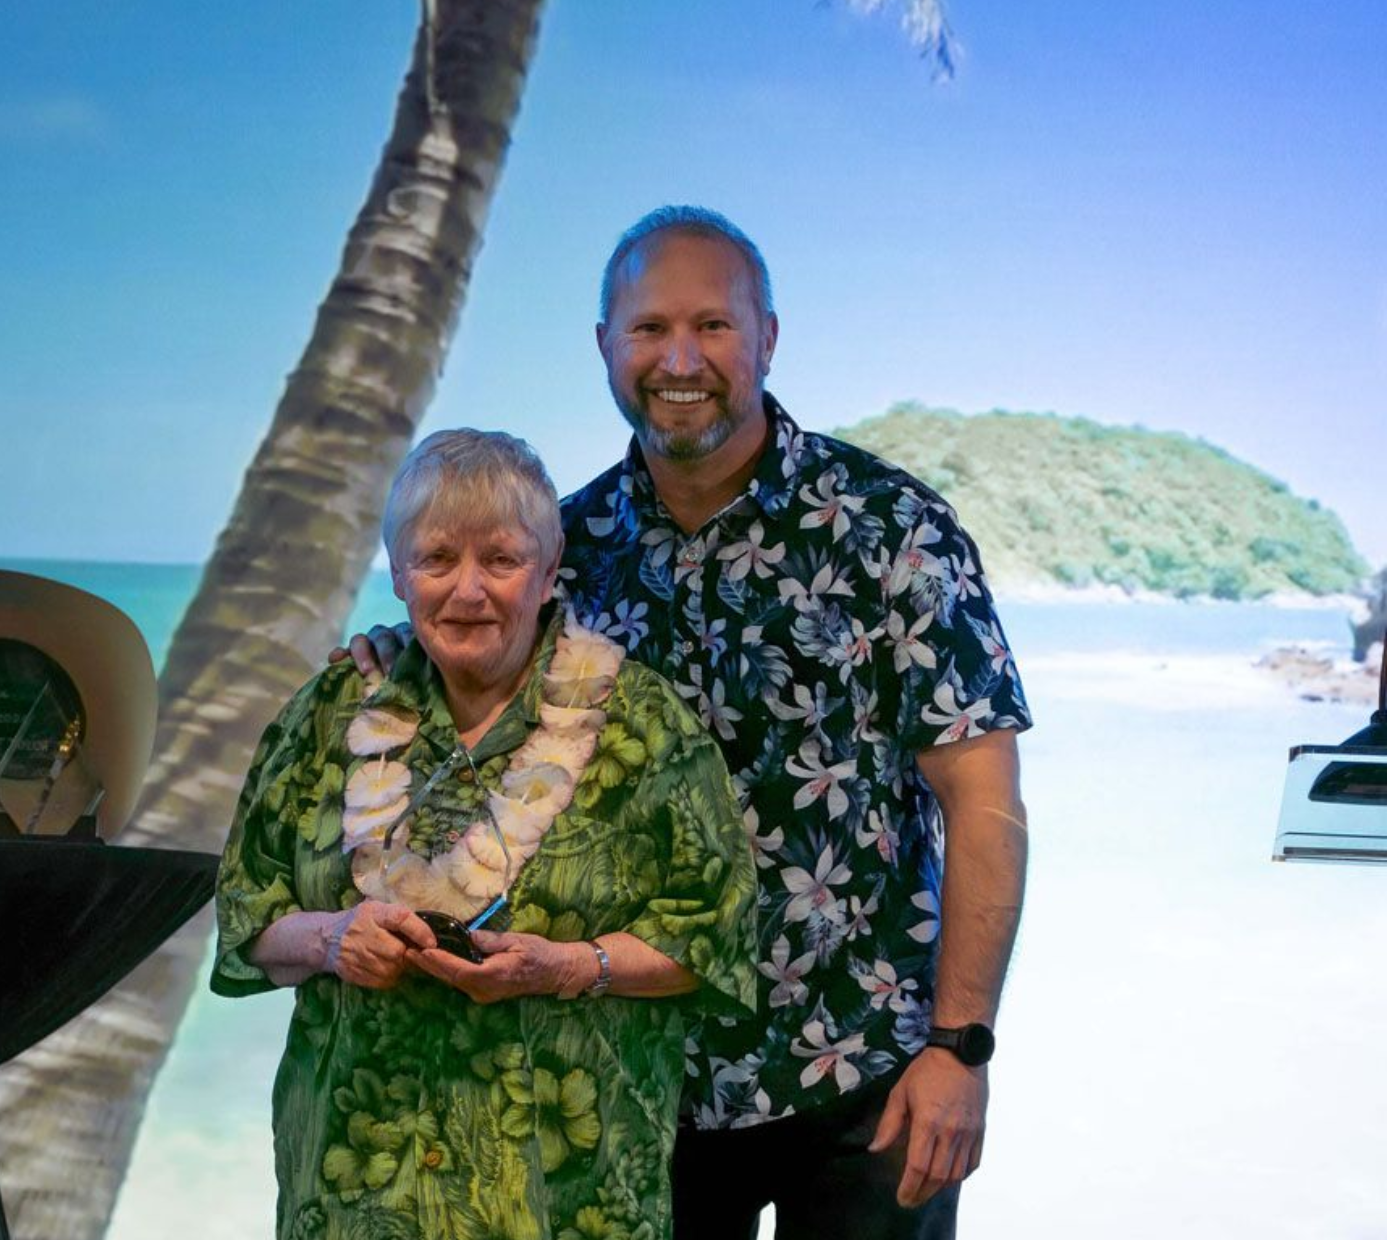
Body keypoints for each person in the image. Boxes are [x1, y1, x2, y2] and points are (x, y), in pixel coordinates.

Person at [347, 206, 1032, 1239]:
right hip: (634, 1081)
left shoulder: (895, 531)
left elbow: (985, 806)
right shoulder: (565, 548)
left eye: (712, 325)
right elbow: (470, 668)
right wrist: (389, 652)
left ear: (767, 337)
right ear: (604, 346)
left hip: (866, 1073)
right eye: (649, 328)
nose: (679, 360)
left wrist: (960, 1047)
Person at [213, 429, 757, 1240]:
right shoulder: (326, 713)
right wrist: (331, 940)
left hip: (567, 1201)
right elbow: (246, 915)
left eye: (500, 560)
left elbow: (718, 933)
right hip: (356, 1194)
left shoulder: (643, 726)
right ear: (399, 571)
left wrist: (567, 967)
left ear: (548, 566)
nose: (468, 590)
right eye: (437, 559)